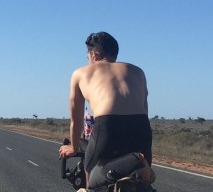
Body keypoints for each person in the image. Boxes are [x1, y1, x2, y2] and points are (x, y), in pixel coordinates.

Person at [57, 31, 152, 176]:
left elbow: (76, 121)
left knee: (90, 171)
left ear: (94, 55)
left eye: (87, 58)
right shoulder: (138, 71)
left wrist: (74, 148)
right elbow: (145, 107)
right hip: (141, 126)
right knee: (141, 174)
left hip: (108, 125)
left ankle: (90, 188)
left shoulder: (80, 73)